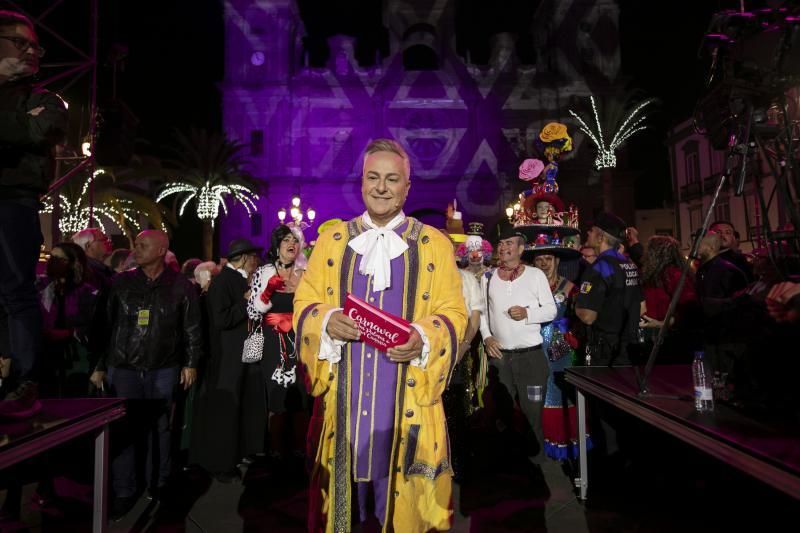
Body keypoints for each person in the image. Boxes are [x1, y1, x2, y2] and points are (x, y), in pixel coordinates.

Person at [293, 139, 466, 531]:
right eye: (373, 177)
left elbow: (454, 313)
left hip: (406, 405)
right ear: (362, 183)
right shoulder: (332, 241)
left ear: (408, 186)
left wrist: (423, 337)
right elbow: (305, 302)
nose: (382, 187)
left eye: (392, 179)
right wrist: (326, 320)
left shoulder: (435, 244)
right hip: (345, 405)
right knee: (344, 512)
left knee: (402, 511)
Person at [92, 230, 203, 520]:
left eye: (143, 245)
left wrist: (190, 363)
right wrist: (100, 365)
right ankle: (124, 489)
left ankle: (160, 483)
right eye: (136, 244)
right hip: (124, 367)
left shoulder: (181, 286)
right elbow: (104, 325)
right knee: (124, 429)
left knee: (161, 427)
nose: (136, 249)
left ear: (160, 249)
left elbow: (192, 328)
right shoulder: (120, 283)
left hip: (164, 367)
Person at [0, 10, 67, 417]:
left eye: (33, 45)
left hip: (14, 202)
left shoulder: (45, 100)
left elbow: (40, 130)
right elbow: (22, 131)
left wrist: (23, 129)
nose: (29, 52)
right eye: (18, 42)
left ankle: (24, 379)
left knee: (15, 290)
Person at [480, 228, 557, 464]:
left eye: (509, 243)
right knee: (502, 413)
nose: (503, 247)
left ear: (521, 249)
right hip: (500, 357)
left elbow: (551, 310)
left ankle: (535, 465)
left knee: (532, 414)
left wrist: (527, 313)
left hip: (530, 358)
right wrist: (486, 337)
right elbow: (482, 311)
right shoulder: (488, 277)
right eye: (501, 243)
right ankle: (508, 463)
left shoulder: (535, 275)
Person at [191, 238, 263, 482]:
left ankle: (236, 454)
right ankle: (220, 462)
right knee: (226, 410)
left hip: (241, 354)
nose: (256, 262)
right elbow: (221, 320)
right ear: (243, 258)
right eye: (253, 257)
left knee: (239, 405)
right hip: (227, 357)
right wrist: (245, 300)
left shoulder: (239, 280)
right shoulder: (224, 282)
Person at [247, 225, 308, 461]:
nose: (291, 244)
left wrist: (296, 320)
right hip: (273, 344)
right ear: (277, 245)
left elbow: (312, 308)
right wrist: (267, 292)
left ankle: (300, 450)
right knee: (277, 396)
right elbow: (253, 311)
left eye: (294, 240)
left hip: (299, 342)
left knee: (301, 396)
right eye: (285, 240)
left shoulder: (305, 273)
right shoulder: (264, 272)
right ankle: (277, 451)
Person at [528, 246, 590, 464]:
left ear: (556, 261)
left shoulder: (569, 287)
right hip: (535, 347)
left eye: (548, 259)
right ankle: (540, 444)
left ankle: (566, 443)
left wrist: (570, 335)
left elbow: (582, 319)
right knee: (537, 394)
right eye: (539, 259)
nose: (544, 263)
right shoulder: (529, 287)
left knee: (560, 393)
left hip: (561, 350)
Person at [575, 212, 645, 367]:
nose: (588, 232)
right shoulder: (630, 265)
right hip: (629, 348)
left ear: (601, 238)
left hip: (605, 352)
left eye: (592, 230)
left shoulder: (599, 268)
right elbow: (641, 307)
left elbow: (587, 317)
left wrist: (576, 304)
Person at [37, 242, 100, 398]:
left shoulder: (88, 291)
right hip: (45, 355)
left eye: (60, 258)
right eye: (52, 257)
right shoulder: (40, 287)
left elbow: (95, 326)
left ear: (73, 263)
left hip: (76, 358)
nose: (54, 261)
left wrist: (69, 333)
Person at [639, 235, 699, 361]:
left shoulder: (673, 274)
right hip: (654, 336)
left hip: (668, 338)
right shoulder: (654, 274)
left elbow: (688, 307)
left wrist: (662, 323)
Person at [71, 228, 114, 293]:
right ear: (87, 245)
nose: (110, 242)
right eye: (104, 240)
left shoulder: (102, 269)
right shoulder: (84, 273)